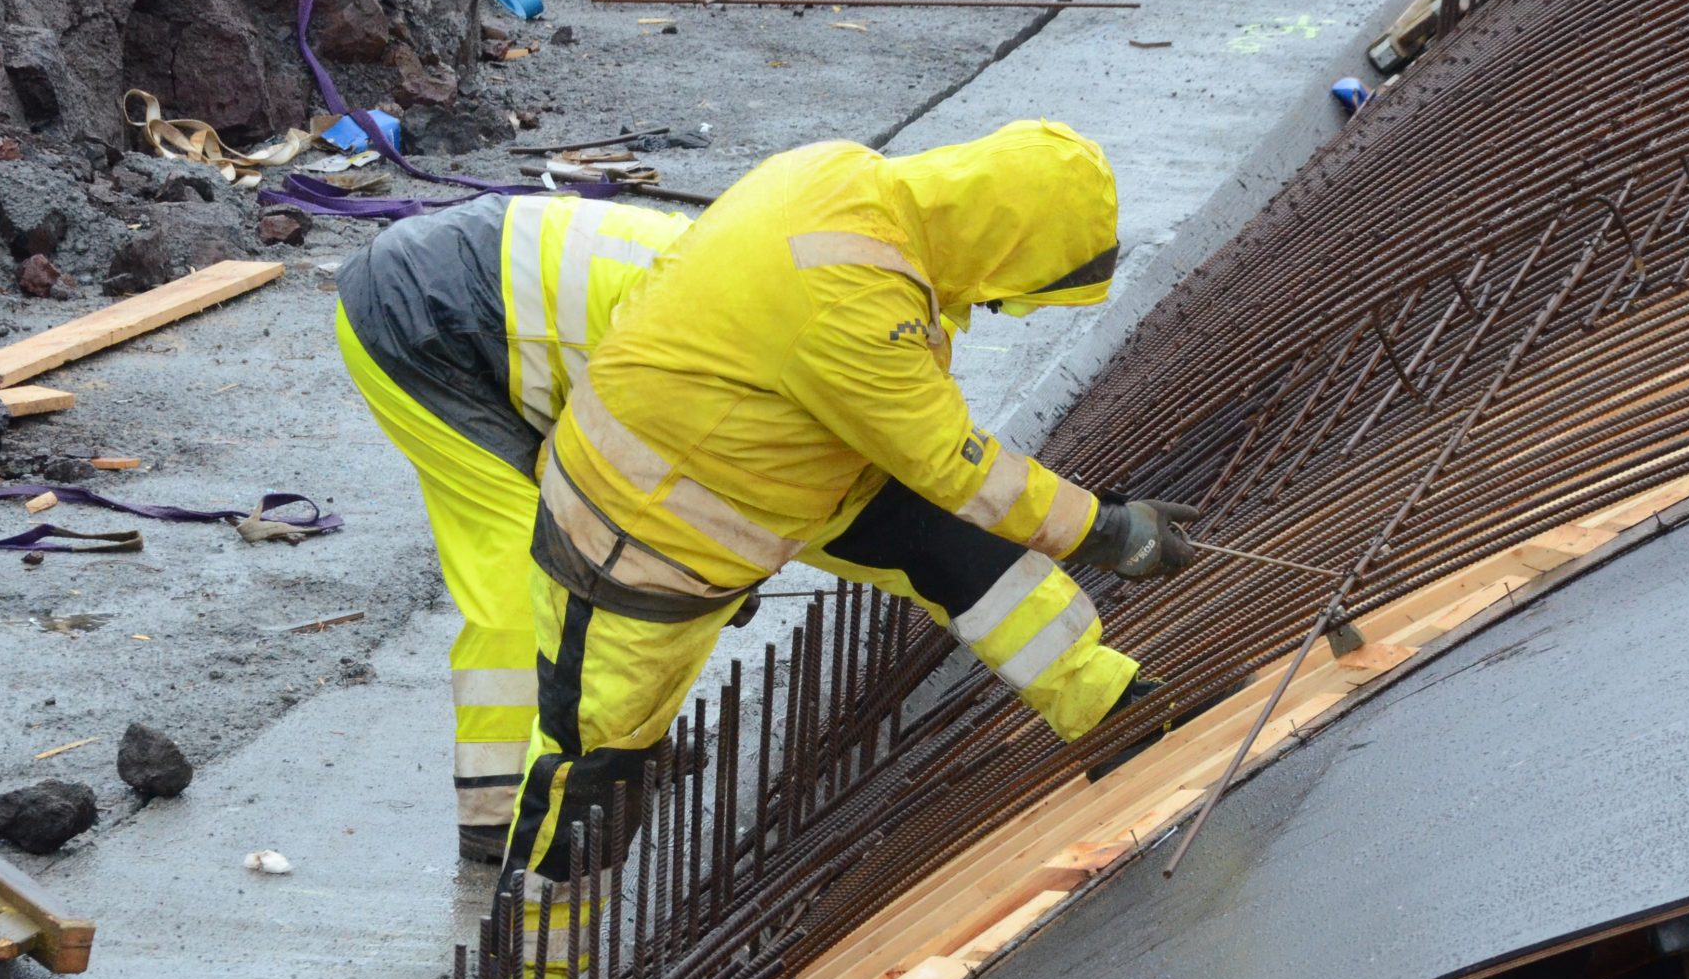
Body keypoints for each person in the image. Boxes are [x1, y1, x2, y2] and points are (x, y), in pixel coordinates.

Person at [505, 120, 1207, 884]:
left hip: (777, 452)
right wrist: (1108, 531)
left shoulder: (843, 181)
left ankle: (1110, 705)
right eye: (1016, 291)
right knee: (598, 778)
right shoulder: (853, 301)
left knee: (963, 549)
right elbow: (957, 465)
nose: (1002, 309)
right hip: (639, 527)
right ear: (1002, 240)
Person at [332, 190, 694, 875]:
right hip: (421, 321)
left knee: (599, 552)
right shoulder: (698, 338)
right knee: (518, 567)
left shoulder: (735, 289)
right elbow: (598, 466)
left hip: (472, 309)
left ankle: (592, 745)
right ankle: (496, 808)